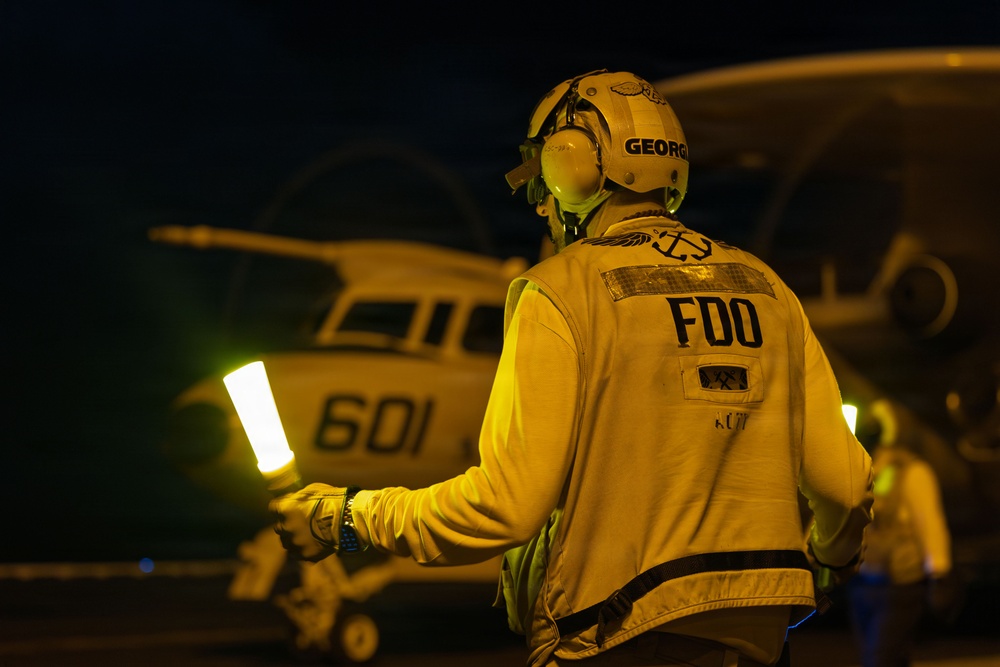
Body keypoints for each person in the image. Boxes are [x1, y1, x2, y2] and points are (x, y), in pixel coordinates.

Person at [271, 69, 874, 667]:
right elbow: (844, 487)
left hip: (619, 635)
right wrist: (830, 561)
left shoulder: (560, 291)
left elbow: (504, 507)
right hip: (763, 637)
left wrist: (345, 518)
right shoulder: (769, 288)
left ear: (572, 167)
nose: (542, 206)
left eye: (542, 181)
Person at [848, 399, 954, 667]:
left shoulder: (912, 471)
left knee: (879, 658)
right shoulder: (858, 469)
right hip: (863, 582)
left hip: (900, 586)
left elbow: (929, 522)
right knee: (889, 657)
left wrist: (939, 573)